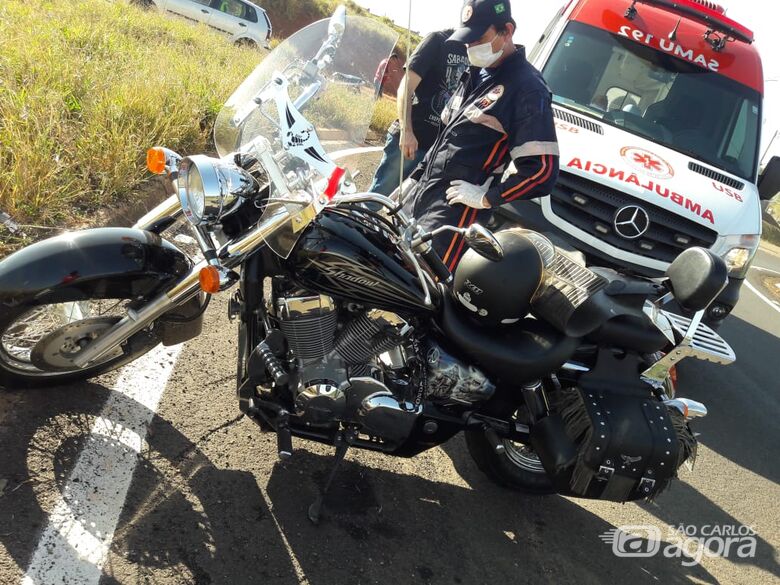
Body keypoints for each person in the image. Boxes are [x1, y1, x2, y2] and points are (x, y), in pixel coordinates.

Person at [402, 0, 560, 272]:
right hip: (420, 195)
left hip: (454, 214)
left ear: (507, 31)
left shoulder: (527, 89)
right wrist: (413, 180)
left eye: (479, 39)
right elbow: (447, 140)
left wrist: (488, 198)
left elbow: (542, 171)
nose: (470, 47)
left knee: (422, 286)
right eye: (467, 39)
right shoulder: (474, 74)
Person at [369, 29, 469, 195]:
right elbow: (405, 87)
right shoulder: (438, 40)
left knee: (404, 213)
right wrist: (407, 131)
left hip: (436, 155)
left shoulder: (480, 58)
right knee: (374, 199)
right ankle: (334, 221)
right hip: (411, 142)